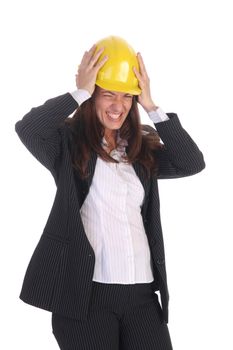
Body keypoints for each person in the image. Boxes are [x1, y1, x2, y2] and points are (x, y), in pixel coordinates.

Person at [15, 35, 206, 350]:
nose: (119, 106)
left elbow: (191, 163)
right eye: (107, 95)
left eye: (127, 97)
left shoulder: (140, 150)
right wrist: (79, 91)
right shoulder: (67, 145)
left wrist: (150, 105)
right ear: (92, 96)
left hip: (142, 298)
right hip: (86, 298)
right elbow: (29, 128)